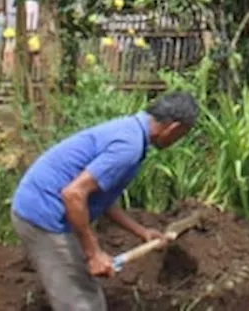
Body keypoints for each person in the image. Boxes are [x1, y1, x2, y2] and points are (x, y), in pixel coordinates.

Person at [10, 92, 198, 311]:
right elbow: (73, 195)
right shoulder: (128, 147)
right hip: (43, 216)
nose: (177, 141)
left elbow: (100, 198)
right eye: (181, 136)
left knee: (83, 292)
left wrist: (141, 232)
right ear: (173, 128)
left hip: (42, 206)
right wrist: (94, 254)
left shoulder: (130, 131)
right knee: (83, 304)